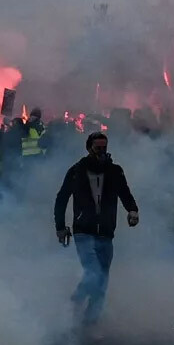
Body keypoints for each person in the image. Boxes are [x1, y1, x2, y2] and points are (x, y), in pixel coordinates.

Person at [54, 132, 139, 331]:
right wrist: (60, 227)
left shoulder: (115, 171)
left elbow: (125, 193)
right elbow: (62, 199)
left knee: (102, 281)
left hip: (106, 232)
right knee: (93, 273)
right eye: (98, 148)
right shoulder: (77, 171)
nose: (102, 152)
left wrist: (133, 210)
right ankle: (75, 302)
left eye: (104, 147)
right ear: (89, 148)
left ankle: (90, 323)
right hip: (83, 230)